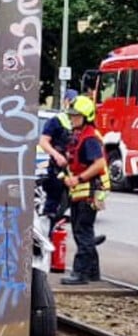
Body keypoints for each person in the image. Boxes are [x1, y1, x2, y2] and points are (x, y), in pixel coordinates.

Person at [60, 95, 108, 286]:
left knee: (83, 233)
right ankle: (93, 272)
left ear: (85, 116)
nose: (72, 118)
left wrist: (77, 178)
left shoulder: (89, 139)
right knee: (84, 231)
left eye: (76, 116)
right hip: (83, 191)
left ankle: (80, 273)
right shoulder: (82, 135)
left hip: (87, 192)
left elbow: (99, 164)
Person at [38, 88, 77, 220]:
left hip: (75, 169)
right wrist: (56, 155)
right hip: (58, 169)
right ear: (65, 101)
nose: (72, 104)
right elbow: (44, 142)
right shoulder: (55, 121)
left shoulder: (78, 121)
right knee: (53, 201)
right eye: (70, 101)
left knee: (76, 204)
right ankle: (48, 230)